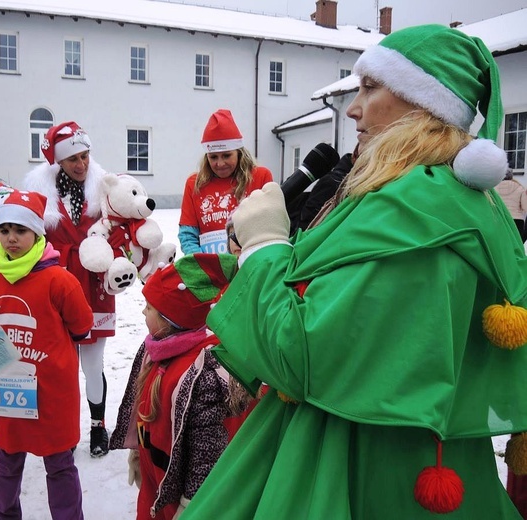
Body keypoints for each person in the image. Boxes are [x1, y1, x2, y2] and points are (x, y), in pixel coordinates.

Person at [181, 24, 527, 519]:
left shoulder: (415, 212)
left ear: (422, 101)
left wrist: (263, 245)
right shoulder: (440, 199)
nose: (353, 108)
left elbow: (302, 357)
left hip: (351, 468)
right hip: (402, 462)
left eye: (370, 87)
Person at [0, 188, 93, 520]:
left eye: (20, 230)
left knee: (59, 464)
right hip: (8, 389)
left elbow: (82, 326)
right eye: (4, 230)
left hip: (52, 391)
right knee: (7, 461)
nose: (11, 238)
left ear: (38, 232)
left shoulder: (60, 280)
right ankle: (4, 515)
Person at [110, 253, 234, 519]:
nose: (143, 311)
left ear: (171, 320)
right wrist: (138, 450)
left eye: (150, 307)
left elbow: (206, 449)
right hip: (154, 480)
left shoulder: (202, 375)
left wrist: (192, 503)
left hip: (178, 497)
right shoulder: (153, 350)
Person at [24, 121, 113, 457]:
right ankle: (66, 429)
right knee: (61, 367)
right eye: (73, 158)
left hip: (94, 285)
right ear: (58, 162)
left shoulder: (103, 189)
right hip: (58, 286)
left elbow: (118, 228)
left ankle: (98, 425)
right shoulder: (41, 197)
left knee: (93, 364)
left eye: (85, 155)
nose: (82, 164)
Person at [178, 108, 273, 255]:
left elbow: (270, 227)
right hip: (210, 269)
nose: (220, 163)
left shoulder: (260, 177)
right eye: (213, 157)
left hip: (250, 263)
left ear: (239, 152)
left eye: (227, 155)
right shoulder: (194, 184)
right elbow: (188, 235)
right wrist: (201, 264)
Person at [496, 170, 527, 242]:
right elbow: (525, 207)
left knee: (503, 243)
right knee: (516, 244)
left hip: (500, 219)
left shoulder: (494, 188)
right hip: (517, 221)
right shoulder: (520, 188)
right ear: (511, 176)